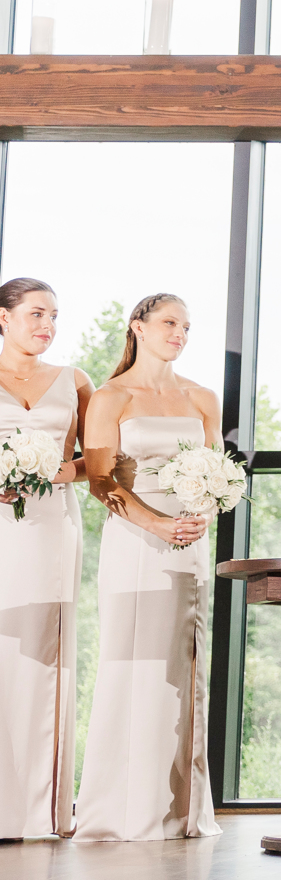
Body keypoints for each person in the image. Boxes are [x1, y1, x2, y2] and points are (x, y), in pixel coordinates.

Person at [73, 292, 221, 842]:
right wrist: (157, 524)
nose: (180, 334)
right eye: (169, 323)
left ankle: (180, 809)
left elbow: (217, 472)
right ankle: (120, 808)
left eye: (187, 326)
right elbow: (100, 480)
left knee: (183, 671)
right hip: (136, 541)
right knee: (131, 663)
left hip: (190, 542)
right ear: (138, 326)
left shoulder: (202, 397)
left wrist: (203, 514)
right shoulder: (111, 396)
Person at [0, 278, 93, 840]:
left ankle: (37, 810)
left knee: (42, 658)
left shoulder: (73, 381)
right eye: (36, 313)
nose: (48, 325)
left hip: (51, 529)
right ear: (3, 317)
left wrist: (64, 472)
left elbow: (101, 457)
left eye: (54, 316)